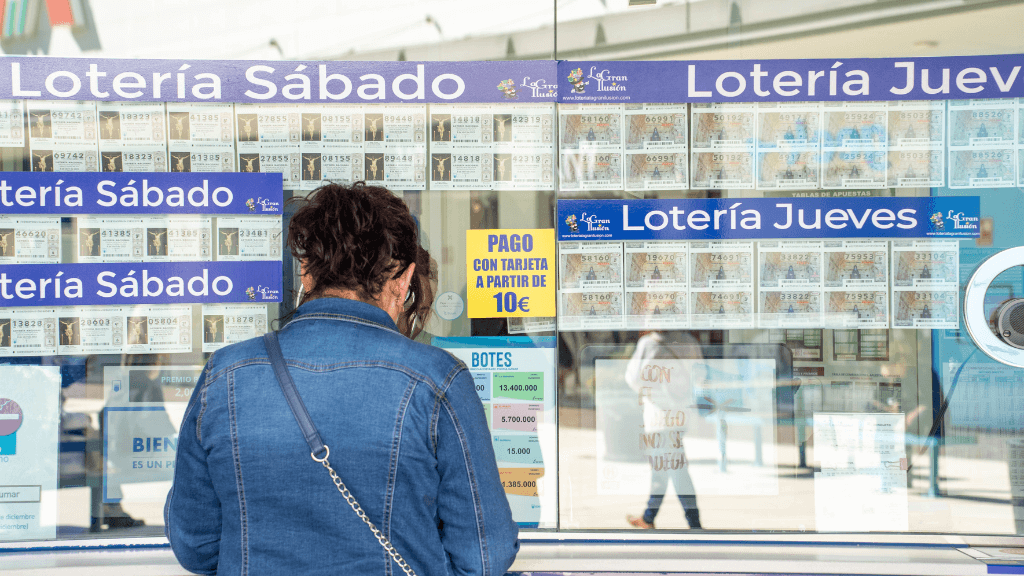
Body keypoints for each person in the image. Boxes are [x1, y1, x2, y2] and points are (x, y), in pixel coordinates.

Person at [165, 182, 519, 575]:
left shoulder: (224, 375)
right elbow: (484, 555)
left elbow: (195, 545)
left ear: (306, 272)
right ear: (404, 280)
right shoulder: (438, 380)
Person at [624, 331, 702, 530]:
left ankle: (694, 524)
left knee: (676, 470)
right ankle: (649, 517)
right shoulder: (689, 341)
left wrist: (654, 390)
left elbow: (633, 378)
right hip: (681, 413)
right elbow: (700, 375)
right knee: (662, 469)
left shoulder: (648, 344)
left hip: (658, 416)